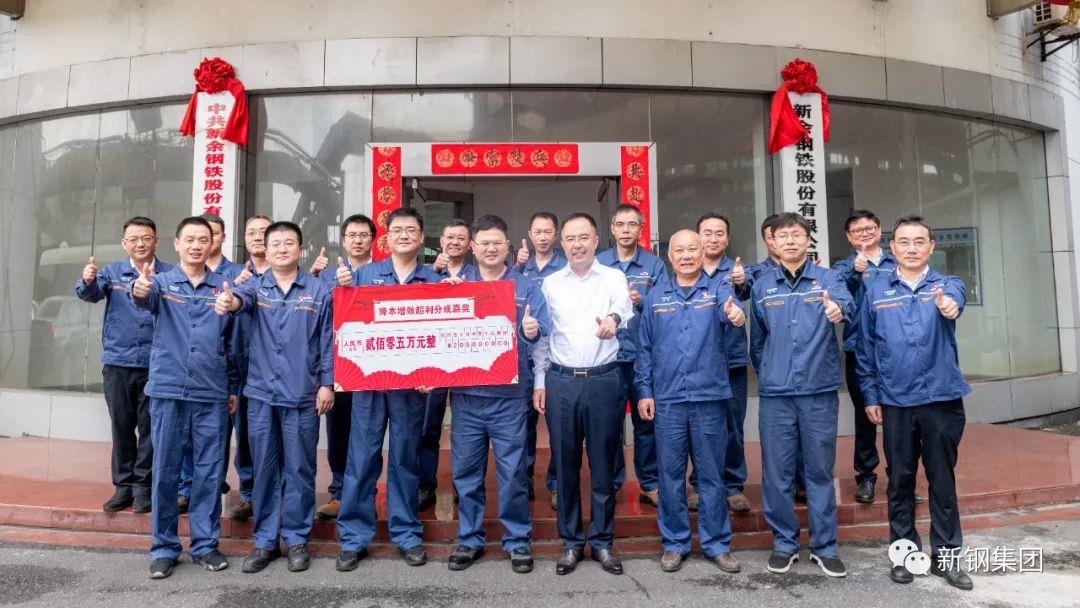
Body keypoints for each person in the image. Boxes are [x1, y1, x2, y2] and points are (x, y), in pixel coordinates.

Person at [857, 215, 973, 591]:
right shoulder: (875, 290)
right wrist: (870, 395)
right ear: (892, 248)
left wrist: (948, 306)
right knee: (900, 480)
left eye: (919, 241)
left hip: (941, 399)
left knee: (942, 480)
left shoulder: (947, 284)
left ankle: (947, 558)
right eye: (904, 242)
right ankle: (904, 555)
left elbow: (954, 303)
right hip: (896, 400)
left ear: (931, 247)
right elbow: (865, 349)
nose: (911, 248)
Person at [215, 221, 335, 574]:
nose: (282, 249)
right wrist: (230, 301)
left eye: (289, 243)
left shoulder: (318, 290)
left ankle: (296, 540)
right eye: (276, 244)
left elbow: (327, 340)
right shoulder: (254, 287)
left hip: (302, 394)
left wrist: (327, 383)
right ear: (265, 251)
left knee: (300, 469)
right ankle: (265, 541)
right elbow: (240, 302)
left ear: (301, 249)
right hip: (261, 395)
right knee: (264, 469)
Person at [335, 207, 444, 571]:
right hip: (369, 383)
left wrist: (433, 371)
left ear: (421, 237)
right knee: (361, 458)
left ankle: (407, 534)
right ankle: (354, 538)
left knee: (405, 459)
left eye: (411, 230)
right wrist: (341, 287)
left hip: (410, 387)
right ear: (387, 237)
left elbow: (443, 334)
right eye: (397, 230)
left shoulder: (433, 280)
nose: (404, 235)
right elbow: (344, 323)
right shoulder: (364, 275)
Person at [131, 216, 238, 579]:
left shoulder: (222, 289)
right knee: (166, 470)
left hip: (211, 390)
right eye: (189, 239)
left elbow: (232, 343)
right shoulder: (159, 282)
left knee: (209, 470)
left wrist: (232, 388)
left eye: (203, 240)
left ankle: (205, 545)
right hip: (168, 389)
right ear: (176, 244)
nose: (196, 245)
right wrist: (140, 288)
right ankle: (163, 547)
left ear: (213, 245)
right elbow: (143, 297)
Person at [749, 212, 853, 578]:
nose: (790, 241)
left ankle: (825, 546)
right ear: (773, 243)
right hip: (776, 395)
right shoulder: (762, 286)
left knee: (819, 471)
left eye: (797, 235)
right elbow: (757, 343)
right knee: (776, 473)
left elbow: (846, 305)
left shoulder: (828, 279)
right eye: (783, 236)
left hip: (818, 391)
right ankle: (784, 544)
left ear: (808, 240)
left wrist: (838, 309)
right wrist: (771, 372)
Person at [636, 230, 746, 574]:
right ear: (669, 257)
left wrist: (736, 314)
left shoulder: (717, 290)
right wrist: (644, 391)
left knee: (711, 475)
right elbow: (644, 349)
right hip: (668, 399)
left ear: (702, 254)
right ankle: (675, 543)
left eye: (692, 250)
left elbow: (732, 310)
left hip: (708, 397)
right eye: (679, 250)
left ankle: (717, 544)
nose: (686, 256)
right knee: (670, 476)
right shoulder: (656, 297)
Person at [445, 214, 550, 573]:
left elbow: (542, 331)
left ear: (508, 246)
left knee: (513, 473)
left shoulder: (526, 287)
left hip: (510, 398)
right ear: (473, 247)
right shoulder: (456, 284)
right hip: (467, 397)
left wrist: (532, 330)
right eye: (484, 243)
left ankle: (517, 540)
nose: (491, 249)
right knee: (466, 474)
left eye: (497, 243)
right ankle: (469, 539)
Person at [532, 212, 634, 576]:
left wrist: (613, 320)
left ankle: (603, 541)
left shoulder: (612, 277)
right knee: (566, 464)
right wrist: (540, 381)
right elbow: (543, 336)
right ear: (562, 243)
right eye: (571, 239)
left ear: (595, 240)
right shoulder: (550, 284)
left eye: (584, 238)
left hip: (603, 380)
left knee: (604, 463)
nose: (577, 245)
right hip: (561, 381)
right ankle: (572, 543)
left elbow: (624, 306)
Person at [76, 216, 172, 514]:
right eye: (134, 239)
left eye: (146, 238)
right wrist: (87, 280)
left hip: (157, 364)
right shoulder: (112, 272)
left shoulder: (170, 274)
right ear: (124, 243)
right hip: (118, 362)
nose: (140, 244)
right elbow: (91, 294)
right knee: (121, 426)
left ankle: (143, 487)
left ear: (156, 241)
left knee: (150, 428)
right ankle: (123, 486)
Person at [178, 213, 254, 521]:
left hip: (234, 366)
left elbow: (241, 310)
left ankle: (247, 492)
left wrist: (237, 296)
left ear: (220, 238)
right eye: (194, 237)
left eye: (211, 235)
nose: (201, 243)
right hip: (194, 371)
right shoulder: (175, 277)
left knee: (242, 436)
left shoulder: (238, 274)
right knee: (192, 437)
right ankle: (189, 488)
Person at [597, 204, 666, 507]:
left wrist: (641, 302)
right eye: (620, 224)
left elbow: (665, 305)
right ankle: (611, 483)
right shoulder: (599, 263)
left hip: (643, 357)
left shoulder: (654, 265)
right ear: (612, 228)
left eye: (632, 224)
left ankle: (649, 483)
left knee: (646, 422)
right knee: (608, 424)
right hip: (607, 357)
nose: (626, 230)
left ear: (641, 228)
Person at [833, 210, 897, 505]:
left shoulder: (896, 263)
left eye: (869, 228)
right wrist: (854, 272)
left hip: (896, 350)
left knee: (899, 416)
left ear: (879, 230)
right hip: (859, 350)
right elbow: (838, 294)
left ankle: (900, 476)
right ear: (849, 237)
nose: (865, 233)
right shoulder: (843, 267)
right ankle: (866, 476)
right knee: (865, 415)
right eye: (857, 230)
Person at [315, 213, 376, 521]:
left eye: (364, 235)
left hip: (376, 367)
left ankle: (365, 492)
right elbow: (318, 320)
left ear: (373, 239)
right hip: (339, 367)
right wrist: (333, 286)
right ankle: (339, 491)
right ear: (343, 240)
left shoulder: (383, 273)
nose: (358, 240)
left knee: (368, 435)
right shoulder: (327, 276)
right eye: (352, 235)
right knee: (339, 431)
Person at [696, 212, 751, 513]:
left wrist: (741, 284)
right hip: (697, 364)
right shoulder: (686, 269)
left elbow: (746, 289)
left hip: (731, 362)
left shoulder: (737, 272)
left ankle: (732, 486)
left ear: (728, 239)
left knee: (732, 426)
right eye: (707, 232)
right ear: (698, 237)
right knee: (698, 427)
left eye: (720, 233)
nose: (713, 238)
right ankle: (699, 483)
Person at [419, 219, 475, 510]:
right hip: (434, 362)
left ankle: (464, 487)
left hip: (467, 362)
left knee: (466, 429)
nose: (455, 242)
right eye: (450, 237)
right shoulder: (426, 273)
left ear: (470, 245)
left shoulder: (477, 275)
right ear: (441, 241)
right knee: (429, 425)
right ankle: (425, 483)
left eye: (461, 238)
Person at [517, 211, 567, 508]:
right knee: (524, 426)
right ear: (530, 234)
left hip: (557, 356)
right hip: (523, 357)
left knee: (558, 426)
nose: (543, 236)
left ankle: (558, 484)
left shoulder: (566, 267)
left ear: (556, 235)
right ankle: (524, 483)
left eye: (548, 231)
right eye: (538, 231)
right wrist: (518, 266)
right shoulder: (519, 269)